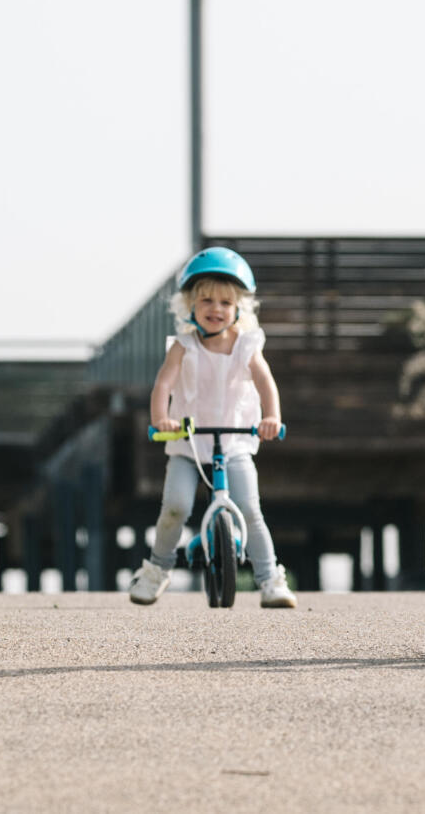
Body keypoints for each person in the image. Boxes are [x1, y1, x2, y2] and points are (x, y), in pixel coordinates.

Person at [130, 247, 296, 608]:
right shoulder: (183, 347)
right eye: (205, 299)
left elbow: (265, 381)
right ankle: (157, 570)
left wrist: (271, 418)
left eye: (225, 301)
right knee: (174, 506)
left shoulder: (246, 346)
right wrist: (162, 419)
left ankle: (270, 580)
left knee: (250, 510)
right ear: (189, 305)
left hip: (235, 442)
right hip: (188, 444)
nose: (215, 308)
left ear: (239, 308)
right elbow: (164, 384)